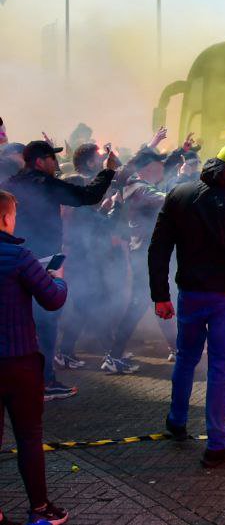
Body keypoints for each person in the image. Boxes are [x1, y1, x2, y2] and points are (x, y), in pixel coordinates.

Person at [149, 145, 225, 467]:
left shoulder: (179, 194)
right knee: (219, 366)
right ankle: (216, 444)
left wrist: (160, 294)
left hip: (190, 293)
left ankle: (176, 421)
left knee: (186, 357)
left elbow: (158, 247)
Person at [5, 139, 118, 399]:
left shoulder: (9, 184)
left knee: (19, 322)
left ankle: (21, 381)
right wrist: (108, 170)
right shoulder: (43, 184)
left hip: (14, 259)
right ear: (39, 161)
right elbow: (87, 196)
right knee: (46, 322)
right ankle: (45, 382)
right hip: (43, 262)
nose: (56, 164)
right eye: (51, 159)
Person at [0, 189, 71, 525]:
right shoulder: (18, 255)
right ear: (5, 218)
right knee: (29, 437)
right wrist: (57, 275)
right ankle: (39, 511)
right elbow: (53, 299)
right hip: (18, 361)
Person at [103, 147, 177, 373]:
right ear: (149, 167)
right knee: (141, 304)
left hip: (146, 253)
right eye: (160, 163)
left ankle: (176, 347)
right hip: (145, 254)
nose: (163, 167)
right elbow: (168, 200)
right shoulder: (140, 189)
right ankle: (113, 356)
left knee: (157, 300)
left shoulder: (136, 187)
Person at [54, 144, 118, 369]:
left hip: (79, 257)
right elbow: (98, 225)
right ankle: (107, 351)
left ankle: (109, 349)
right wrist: (113, 208)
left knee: (89, 303)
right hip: (80, 259)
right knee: (89, 303)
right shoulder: (78, 202)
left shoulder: (72, 202)